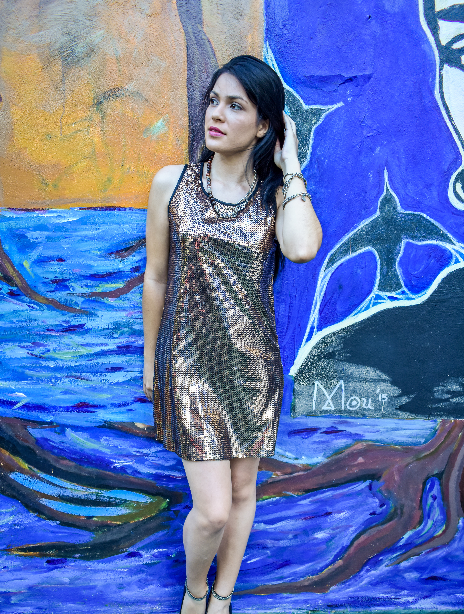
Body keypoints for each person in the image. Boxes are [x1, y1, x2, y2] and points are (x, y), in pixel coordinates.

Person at [142, 55, 322, 614]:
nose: (216, 114)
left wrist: (291, 166)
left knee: (244, 492)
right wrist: (150, 362)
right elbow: (156, 278)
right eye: (213, 101)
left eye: (235, 106)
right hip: (188, 366)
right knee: (213, 510)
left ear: (264, 125)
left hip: (253, 368)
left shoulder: (274, 197)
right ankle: (195, 593)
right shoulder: (172, 184)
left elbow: (302, 248)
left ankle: (222, 599)